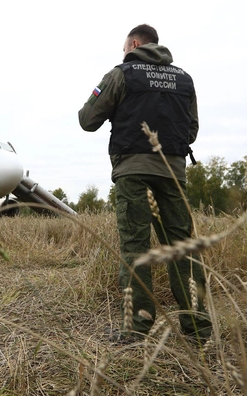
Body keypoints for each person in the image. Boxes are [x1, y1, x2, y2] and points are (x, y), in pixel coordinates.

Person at [78, 24, 211, 343]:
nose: (123, 53)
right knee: (182, 247)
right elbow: (191, 129)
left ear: (134, 44)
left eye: (124, 48)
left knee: (136, 247)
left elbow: (87, 120)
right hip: (173, 172)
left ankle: (136, 329)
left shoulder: (121, 74)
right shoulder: (184, 79)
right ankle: (198, 327)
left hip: (132, 170)